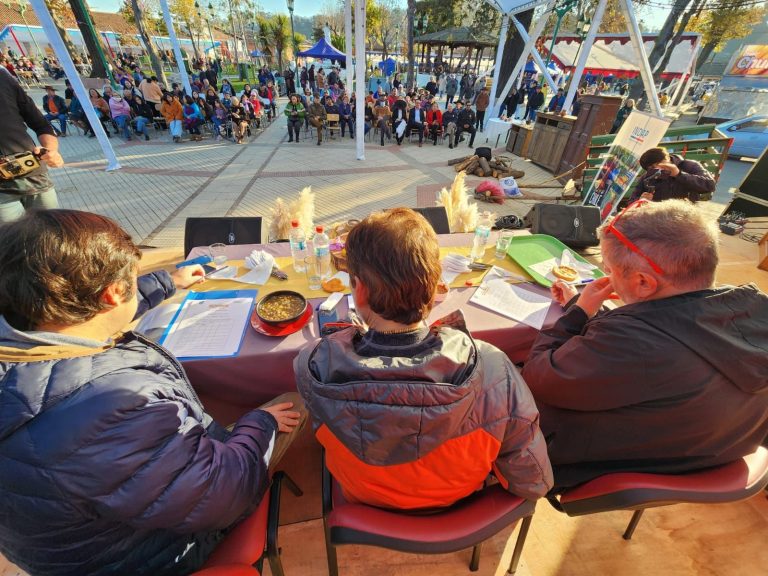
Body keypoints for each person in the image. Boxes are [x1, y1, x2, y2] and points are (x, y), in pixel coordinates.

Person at [0, 209, 306, 576]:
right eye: (131, 279)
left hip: (78, 546)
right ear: (112, 294)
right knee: (296, 396)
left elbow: (90, 313)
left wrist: (167, 282)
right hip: (154, 555)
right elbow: (223, 495)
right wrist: (259, 422)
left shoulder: (26, 329)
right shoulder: (116, 404)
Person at [295, 207, 553, 510]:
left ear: (359, 291)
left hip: (361, 499)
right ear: (434, 288)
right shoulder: (495, 370)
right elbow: (534, 482)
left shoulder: (311, 365)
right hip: (457, 501)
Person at [522, 199, 768, 490]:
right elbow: (674, 333)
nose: (608, 278)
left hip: (604, 467)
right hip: (711, 456)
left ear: (643, 282)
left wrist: (577, 314)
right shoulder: (756, 311)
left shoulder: (631, 342)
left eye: (609, 269)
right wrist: (586, 305)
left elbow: (538, 376)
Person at [0, 70, 63, 223]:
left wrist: (51, 150)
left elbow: (41, 125)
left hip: (34, 174)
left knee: (51, 234)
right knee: (15, 242)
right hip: (2, 193)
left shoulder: (3, 78)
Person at [630, 147, 715, 203]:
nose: (659, 168)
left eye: (659, 163)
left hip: (685, 216)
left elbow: (710, 185)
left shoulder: (689, 166)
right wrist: (640, 200)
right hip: (657, 218)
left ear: (668, 158)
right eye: (652, 167)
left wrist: (679, 174)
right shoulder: (647, 177)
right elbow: (632, 200)